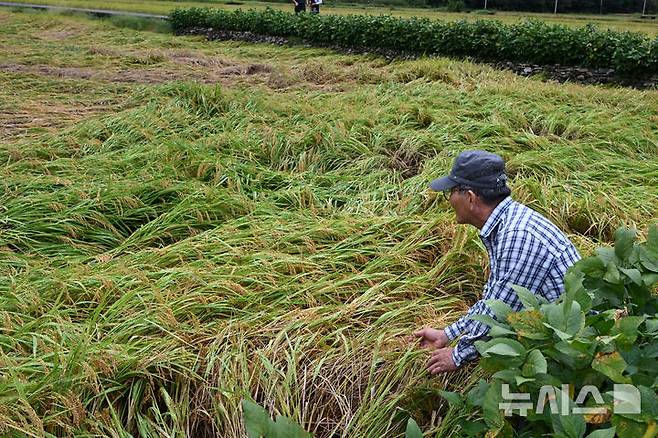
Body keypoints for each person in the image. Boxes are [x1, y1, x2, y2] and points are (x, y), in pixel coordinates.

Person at [413, 150, 580, 374]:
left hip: (578, 346)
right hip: (561, 332)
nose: (449, 199)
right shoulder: (506, 224)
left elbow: (502, 314)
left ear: (470, 198)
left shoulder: (517, 235)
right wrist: (447, 335)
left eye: (452, 191)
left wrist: (457, 355)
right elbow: (493, 301)